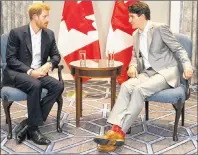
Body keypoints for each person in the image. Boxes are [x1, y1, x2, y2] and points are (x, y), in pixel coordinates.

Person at [93, 1, 194, 152]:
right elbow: (135, 56)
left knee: (140, 90)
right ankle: (115, 129)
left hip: (165, 72)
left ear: (142, 16)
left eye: (132, 17)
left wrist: (187, 66)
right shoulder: (135, 34)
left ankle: (119, 132)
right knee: (127, 86)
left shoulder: (160, 28)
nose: (129, 20)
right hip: (148, 73)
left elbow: (179, 49)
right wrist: (133, 65)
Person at [3, 2, 64, 145]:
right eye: (45, 16)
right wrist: (30, 72)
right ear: (34, 17)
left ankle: (29, 124)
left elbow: (56, 56)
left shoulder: (49, 34)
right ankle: (34, 130)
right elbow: (10, 59)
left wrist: (49, 64)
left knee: (58, 85)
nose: (47, 19)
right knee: (35, 84)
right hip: (18, 73)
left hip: (39, 73)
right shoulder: (16, 33)